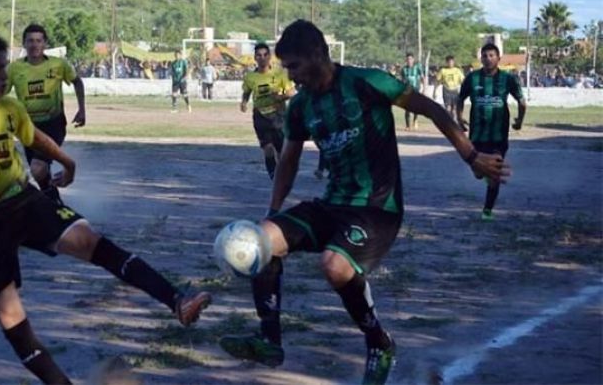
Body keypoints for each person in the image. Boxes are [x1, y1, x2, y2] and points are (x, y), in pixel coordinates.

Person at [218, 20, 510, 385]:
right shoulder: (301, 106)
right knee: (258, 240)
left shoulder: (367, 82)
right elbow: (289, 161)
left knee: (335, 266)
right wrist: (273, 212)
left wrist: (471, 156)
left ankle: (379, 343)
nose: (290, 76)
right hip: (332, 205)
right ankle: (269, 341)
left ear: (318, 54)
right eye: (286, 68)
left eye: (294, 66)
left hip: (377, 208)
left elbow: (432, 109)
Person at [0, 31, 211, 385]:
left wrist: (67, 161)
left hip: (20, 201)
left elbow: (34, 137)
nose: (4, 76)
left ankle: (177, 301)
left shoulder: (9, 108)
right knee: (10, 316)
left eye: (5, 67)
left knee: (89, 240)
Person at [6, 24, 86, 206]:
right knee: (40, 173)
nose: (34, 45)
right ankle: (55, 206)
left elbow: (77, 82)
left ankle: (55, 207)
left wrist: (82, 109)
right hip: (28, 128)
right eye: (30, 41)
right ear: (24, 44)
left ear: (45, 44)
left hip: (53, 124)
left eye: (38, 41)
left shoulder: (58, 65)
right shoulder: (14, 69)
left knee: (38, 168)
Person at [457, 43, 526, 221]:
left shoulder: (508, 79)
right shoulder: (472, 78)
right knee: (478, 173)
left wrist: (519, 120)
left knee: (495, 171)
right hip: (477, 135)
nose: (488, 59)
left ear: (498, 58)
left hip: (498, 135)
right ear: (481, 58)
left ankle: (487, 211)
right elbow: (460, 98)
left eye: (491, 55)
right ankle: (484, 173)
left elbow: (521, 101)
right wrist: (459, 117)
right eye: (485, 56)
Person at [240, 43, 294, 180]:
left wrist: (280, 97)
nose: (262, 58)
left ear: (270, 57)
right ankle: (272, 172)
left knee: (281, 150)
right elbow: (247, 91)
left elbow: (291, 92)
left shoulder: (280, 74)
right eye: (259, 55)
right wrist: (244, 102)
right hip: (260, 115)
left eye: (265, 55)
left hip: (278, 115)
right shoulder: (250, 77)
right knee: (268, 148)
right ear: (255, 58)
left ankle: (282, 173)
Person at [435, 55, 465, 123]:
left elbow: (463, 81)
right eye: (449, 62)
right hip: (446, 90)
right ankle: (449, 121)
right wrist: (435, 91)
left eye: (452, 62)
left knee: (454, 108)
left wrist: (465, 89)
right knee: (448, 108)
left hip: (455, 90)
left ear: (454, 62)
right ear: (446, 62)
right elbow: (437, 81)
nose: (450, 63)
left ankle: (453, 121)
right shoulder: (443, 70)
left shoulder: (457, 70)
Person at [400, 53, 425, 130]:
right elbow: (402, 80)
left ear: (413, 60)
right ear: (406, 60)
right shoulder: (404, 69)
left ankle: (415, 120)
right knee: (407, 108)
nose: (409, 61)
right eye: (408, 59)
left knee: (415, 106)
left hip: (416, 89)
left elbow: (422, 78)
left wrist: (424, 88)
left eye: (410, 59)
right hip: (407, 90)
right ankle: (407, 126)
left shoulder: (417, 67)